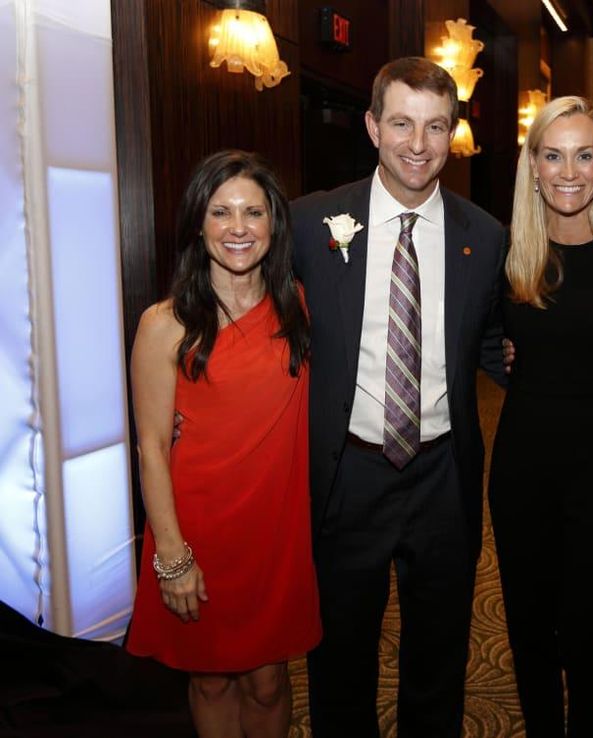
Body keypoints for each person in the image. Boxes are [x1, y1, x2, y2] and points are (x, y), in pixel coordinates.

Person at [290, 57, 507, 738]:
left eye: (436, 126)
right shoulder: (309, 223)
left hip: (444, 473)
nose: (419, 144)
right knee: (340, 652)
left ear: (453, 133)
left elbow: (496, 339)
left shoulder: (486, 236)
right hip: (346, 472)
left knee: (439, 652)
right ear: (372, 127)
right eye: (403, 123)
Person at [127, 150, 320, 738]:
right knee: (208, 679)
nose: (238, 228)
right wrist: (173, 556)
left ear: (274, 225)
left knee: (269, 683)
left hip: (274, 532)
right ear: (198, 224)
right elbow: (153, 447)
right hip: (197, 531)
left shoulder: (301, 307)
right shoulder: (164, 323)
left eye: (253, 212)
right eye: (221, 212)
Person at [488, 96, 593, 737]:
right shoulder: (507, 255)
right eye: (553, 155)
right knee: (528, 629)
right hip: (522, 466)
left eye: (584, 155)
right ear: (532, 166)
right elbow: (475, 339)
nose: (569, 171)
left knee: (587, 630)